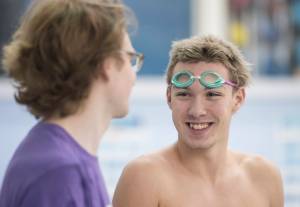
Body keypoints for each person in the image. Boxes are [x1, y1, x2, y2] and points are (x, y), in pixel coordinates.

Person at [0, 0, 143, 206]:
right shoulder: (58, 172)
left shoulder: (66, 158)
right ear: (106, 64)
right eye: (131, 59)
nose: (133, 75)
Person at [113, 35, 284, 207]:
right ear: (169, 97)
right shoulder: (144, 178)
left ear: (237, 99)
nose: (197, 111)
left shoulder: (264, 178)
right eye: (184, 94)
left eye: (212, 95)